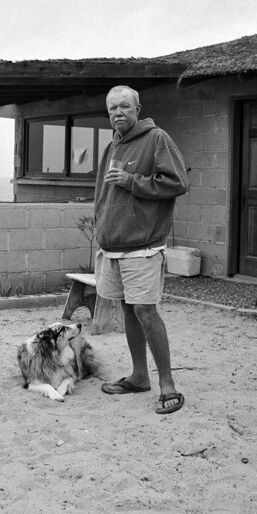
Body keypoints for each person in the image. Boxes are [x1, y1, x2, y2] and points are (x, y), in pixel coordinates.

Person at [94, 85, 189, 415]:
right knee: (129, 310)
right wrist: (101, 230)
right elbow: (105, 196)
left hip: (142, 247)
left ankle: (168, 384)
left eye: (124, 107)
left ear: (137, 109)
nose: (118, 113)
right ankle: (138, 376)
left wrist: (133, 180)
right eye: (112, 109)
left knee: (146, 312)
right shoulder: (112, 145)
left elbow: (177, 183)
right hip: (114, 246)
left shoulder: (156, 138)